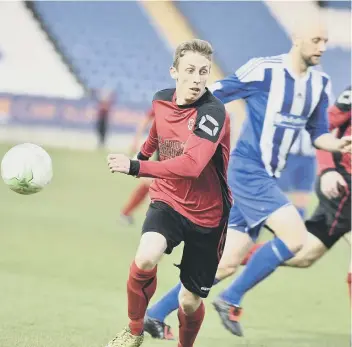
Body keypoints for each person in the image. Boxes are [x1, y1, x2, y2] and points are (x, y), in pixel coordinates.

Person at [143, 19, 352, 339]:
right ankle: (231, 300)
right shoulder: (264, 71)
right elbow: (213, 96)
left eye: (325, 41)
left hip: (268, 176)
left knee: (226, 263)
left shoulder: (319, 84)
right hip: (246, 169)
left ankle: (155, 314)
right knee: (296, 238)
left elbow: (318, 132)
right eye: (315, 40)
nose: (322, 47)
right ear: (296, 37)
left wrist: (334, 145)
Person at [105, 39, 232, 347]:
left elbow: (191, 166)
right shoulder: (161, 100)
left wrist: (137, 167)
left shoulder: (213, 113)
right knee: (146, 256)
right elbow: (157, 133)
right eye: (189, 70)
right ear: (174, 72)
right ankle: (134, 331)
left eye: (203, 71)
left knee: (189, 302)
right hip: (168, 200)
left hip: (208, 215)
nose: (197, 78)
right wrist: (145, 152)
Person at [120, 109, 155, 225]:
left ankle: (126, 213)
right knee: (151, 182)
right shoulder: (165, 101)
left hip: (169, 149)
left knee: (150, 183)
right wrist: (136, 140)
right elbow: (145, 120)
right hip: (159, 149)